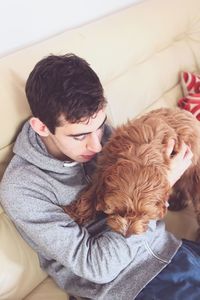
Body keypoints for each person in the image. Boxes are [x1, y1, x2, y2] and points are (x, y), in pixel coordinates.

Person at [0, 53, 199, 300]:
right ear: (41, 127)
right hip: (131, 286)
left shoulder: (99, 133)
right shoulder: (23, 189)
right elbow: (98, 267)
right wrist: (162, 185)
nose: (96, 146)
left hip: (171, 251)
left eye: (100, 126)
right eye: (79, 136)